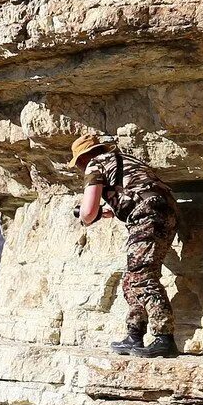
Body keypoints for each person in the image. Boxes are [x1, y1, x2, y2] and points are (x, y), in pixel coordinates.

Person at [71, 131, 178, 357]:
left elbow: (88, 212)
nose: (80, 169)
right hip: (166, 211)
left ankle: (164, 338)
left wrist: (85, 216)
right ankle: (134, 335)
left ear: (82, 158)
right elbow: (139, 190)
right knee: (131, 278)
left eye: (78, 164)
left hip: (147, 215)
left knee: (141, 276)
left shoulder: (94, 165)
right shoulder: (126, 160)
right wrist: (109, 211)